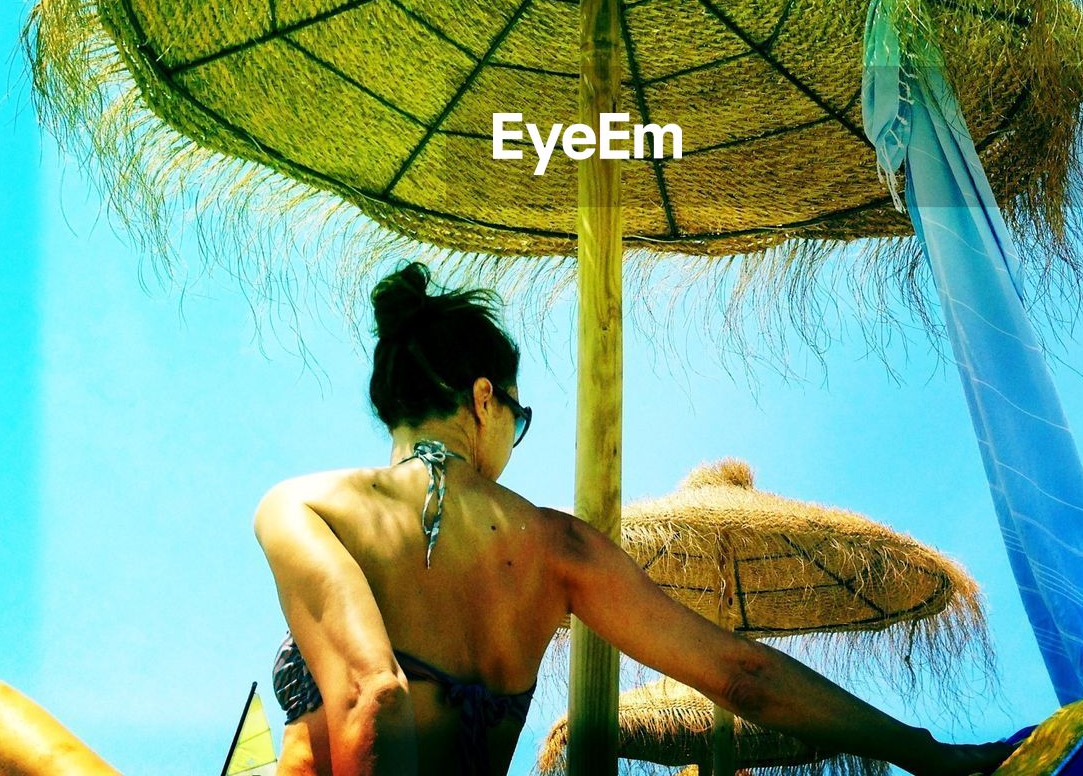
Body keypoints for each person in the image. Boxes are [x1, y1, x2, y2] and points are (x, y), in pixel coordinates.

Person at [253, 261, 1023, 776]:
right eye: (517, 420)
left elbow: (371, 697)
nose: (511, 440)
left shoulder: (306, 506)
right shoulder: (559, 546)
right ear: (483, 399)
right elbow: (743, 676)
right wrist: (927, 753)